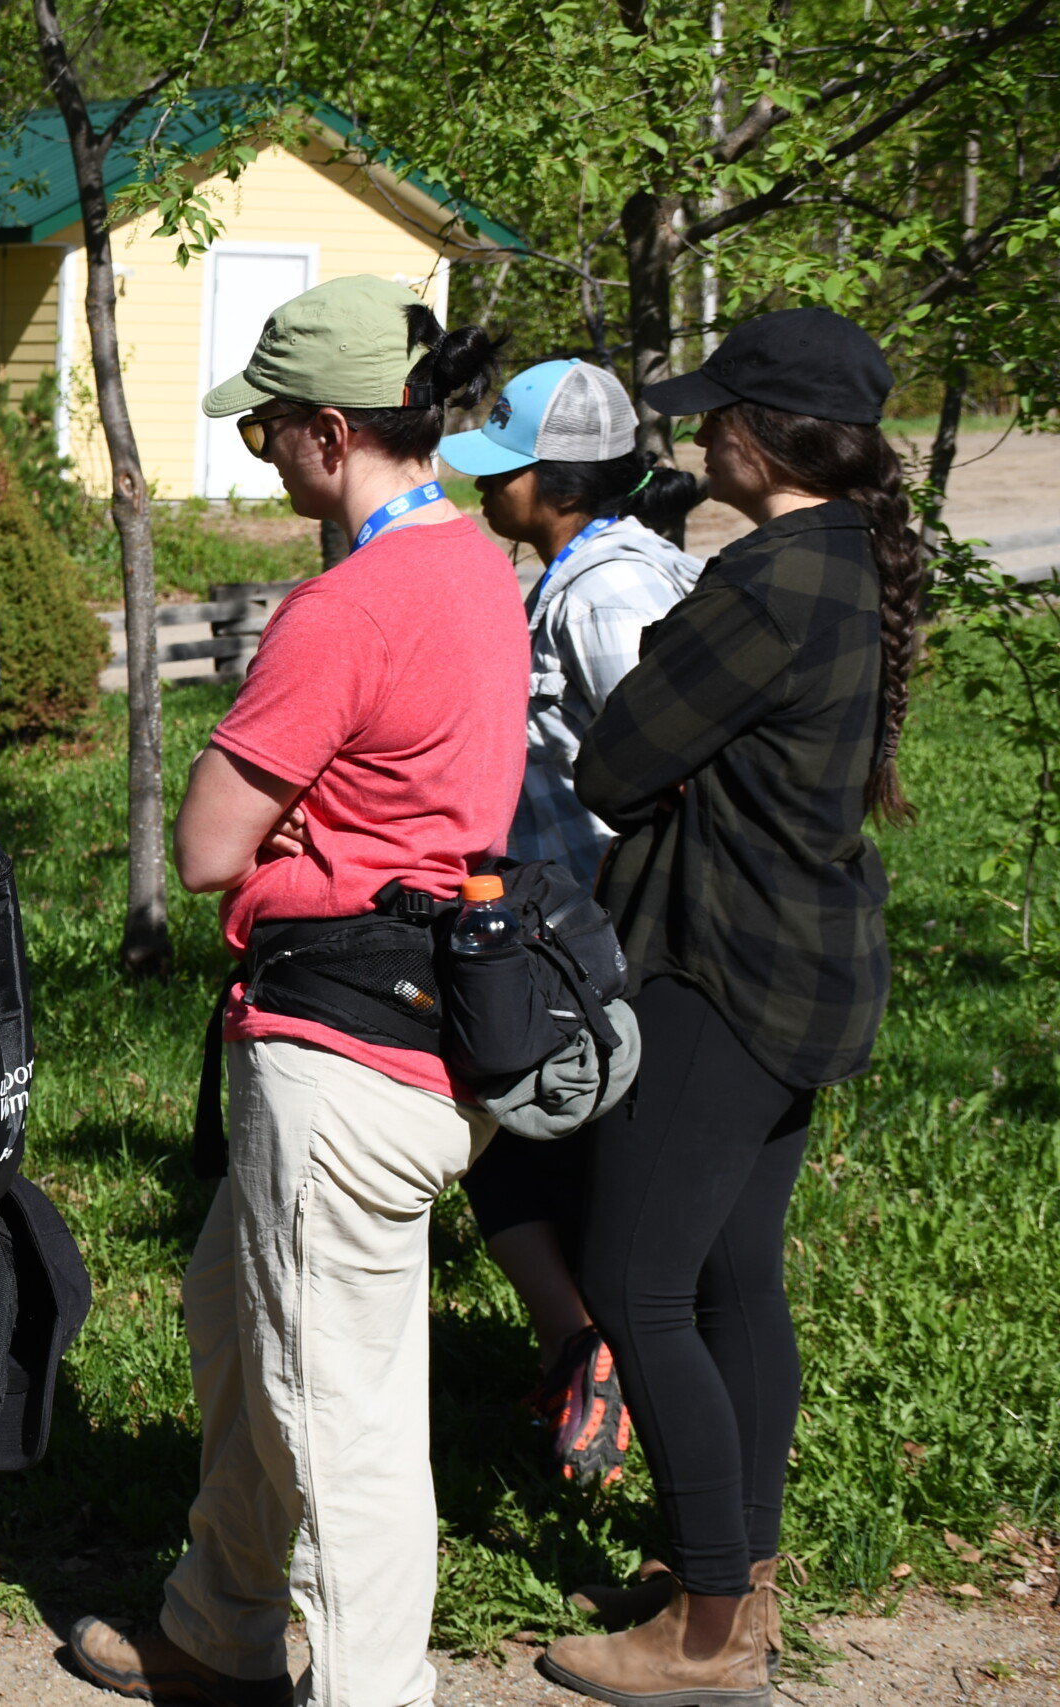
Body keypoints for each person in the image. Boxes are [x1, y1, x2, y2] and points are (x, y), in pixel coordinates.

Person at [67, 274, 521, 1707]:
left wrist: (276, 790)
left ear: (332, 431)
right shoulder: (478, 570)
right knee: (231, 1311)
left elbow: (206, 845)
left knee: (342, 1420)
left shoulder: (351, 603)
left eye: (265, 434)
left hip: (337, 1056)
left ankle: (370, 1686)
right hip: (436, 1023)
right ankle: (222, 1623)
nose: (261, 457)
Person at [535, 308, 916, 1707]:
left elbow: (618, 761)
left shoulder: (760, 583)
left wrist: (675, 765)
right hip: (807, 959)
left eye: (714, 416)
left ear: (761, 433)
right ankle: (736, 1580)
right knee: (733, 1272)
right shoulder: (845, 561)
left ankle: (703, 1631)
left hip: (718, 962)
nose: (697, 436)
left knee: (638, 1278)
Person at [436, 358, 707, 1486]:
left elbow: (667, 753)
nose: (487, 491)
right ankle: (579, 1344)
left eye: (504, 473)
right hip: (567, 925)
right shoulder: (581, 570)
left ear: (555, 483)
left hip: (594, 933)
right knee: (513, 1136)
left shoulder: (604, 594)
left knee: (528, 1133)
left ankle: (592, 1351)